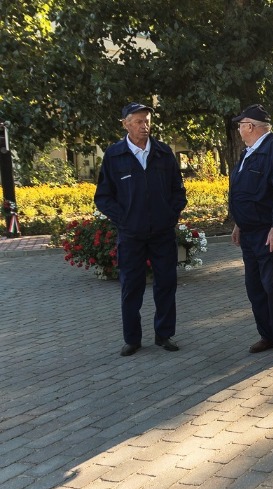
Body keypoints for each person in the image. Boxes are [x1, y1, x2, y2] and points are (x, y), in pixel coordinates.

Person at [95, 102, 187, 357]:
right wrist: (124, 219)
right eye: (138, 121)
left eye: (147, 121)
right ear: (125, 123)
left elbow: (178, 191)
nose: (144, 126)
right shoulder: (114, 155)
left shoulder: (163, 152)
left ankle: (164, 334)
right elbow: (103, 197)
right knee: (131, 287)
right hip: (131, 235)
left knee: (166, 284)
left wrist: (170, 216)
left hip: (162, 233)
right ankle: (132, 339)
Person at [229, 104, 273, 361]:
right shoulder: (249, 153)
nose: (238, 129)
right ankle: (267, 334)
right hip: (249, 233)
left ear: (251, 126)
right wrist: (238, 223)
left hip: (269, 233)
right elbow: (245, 193)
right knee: (255, 287)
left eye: (240, 124)